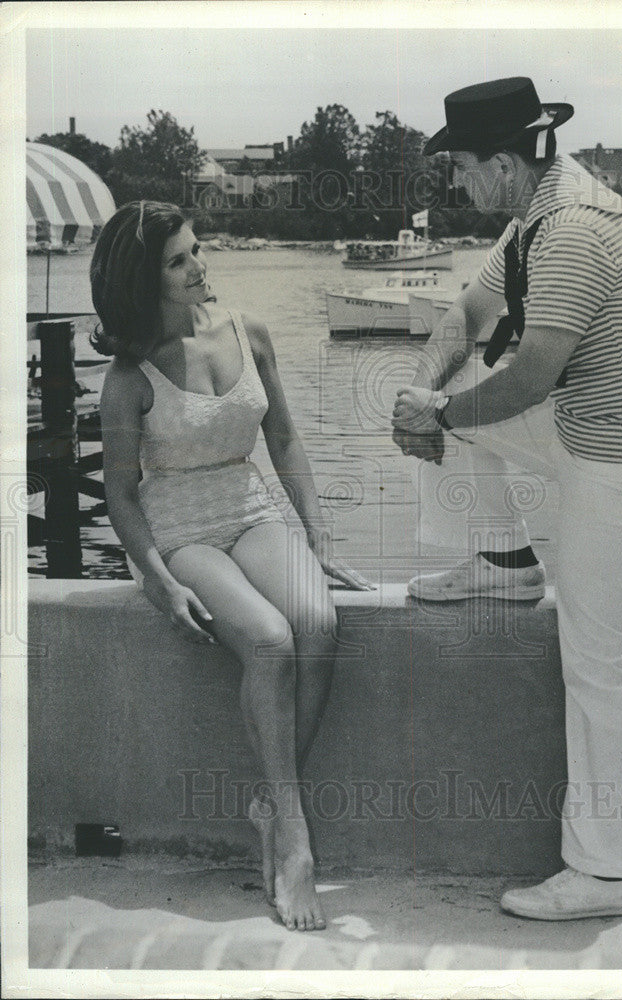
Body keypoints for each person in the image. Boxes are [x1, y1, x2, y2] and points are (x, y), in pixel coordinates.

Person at [392, 78, 622, 920]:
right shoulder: (536, 213)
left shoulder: (569, 230)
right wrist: (424, 401)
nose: (454, 183)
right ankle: (503, 563)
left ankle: (609, 873)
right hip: (586, 429)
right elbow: (466, 309)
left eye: (459, 167)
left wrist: (442, 411)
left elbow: (532, 373)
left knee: (598, 659)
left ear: (499, 164)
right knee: (446, 403)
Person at [92, 201, 373, 932]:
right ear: (142, 279)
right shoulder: (128, 377)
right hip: (180, 527)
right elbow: (120, 493)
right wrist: (159, 578)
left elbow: (282, 438)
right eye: (179, 260)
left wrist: (318, 537)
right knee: (270, 641)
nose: (199, 266)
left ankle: (270, 806)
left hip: (250, 507)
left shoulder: (249, 333)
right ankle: (294, 840)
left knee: (318, 620)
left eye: (197, 250)